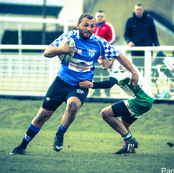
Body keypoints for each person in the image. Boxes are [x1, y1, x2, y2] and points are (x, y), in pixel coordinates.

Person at [10, 13, 139, 155]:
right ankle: (22, 146)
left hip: (81, 85)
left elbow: (119, 55)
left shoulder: (99, 42)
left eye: (92, 26)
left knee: (73, 106)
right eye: (85, 25)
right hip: (61, 82)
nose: (89, 29)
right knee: (43, 115)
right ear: (78, 25)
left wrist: (133, 72)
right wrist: (62, 50)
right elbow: (47, 52)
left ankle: (60, 134)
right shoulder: (68, 37)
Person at [79, 56, 154, 154]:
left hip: (141, 99)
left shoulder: (119, 66)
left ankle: (130, 141)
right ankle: (130, 148)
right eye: (100, 59)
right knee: (122, 126)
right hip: (144, 99)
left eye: (103, 59)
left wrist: (91, 84)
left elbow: (110, 83)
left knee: (105, 114)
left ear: (112, 59)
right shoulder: (111, 62)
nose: (101, 61)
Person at [124, 4, 160, 72]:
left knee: (147, 68)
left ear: (143, 10)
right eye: (137, 9)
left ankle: (145, 82)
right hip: (135, 49)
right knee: (136, 69)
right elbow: (126, 35)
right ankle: (138, 82)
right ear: (134, 10)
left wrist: (156, 44)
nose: (138, 11)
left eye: (140, 9)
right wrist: (129, 41)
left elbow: (154, 33)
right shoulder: (130, 21)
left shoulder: (149, 20)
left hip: (147, 48)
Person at [91, 10, 116, 97]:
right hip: (95, 55)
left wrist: (103, 46)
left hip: (105, 55)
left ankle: (107, 93)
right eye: (98, 16)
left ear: (104, 17)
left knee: (106, 74)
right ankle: (96, 92)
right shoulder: (92, 27)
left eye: (101, 16)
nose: (100, 18)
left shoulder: (108, 26)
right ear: (95, 17)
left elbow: (112, 39)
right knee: (96, 73)